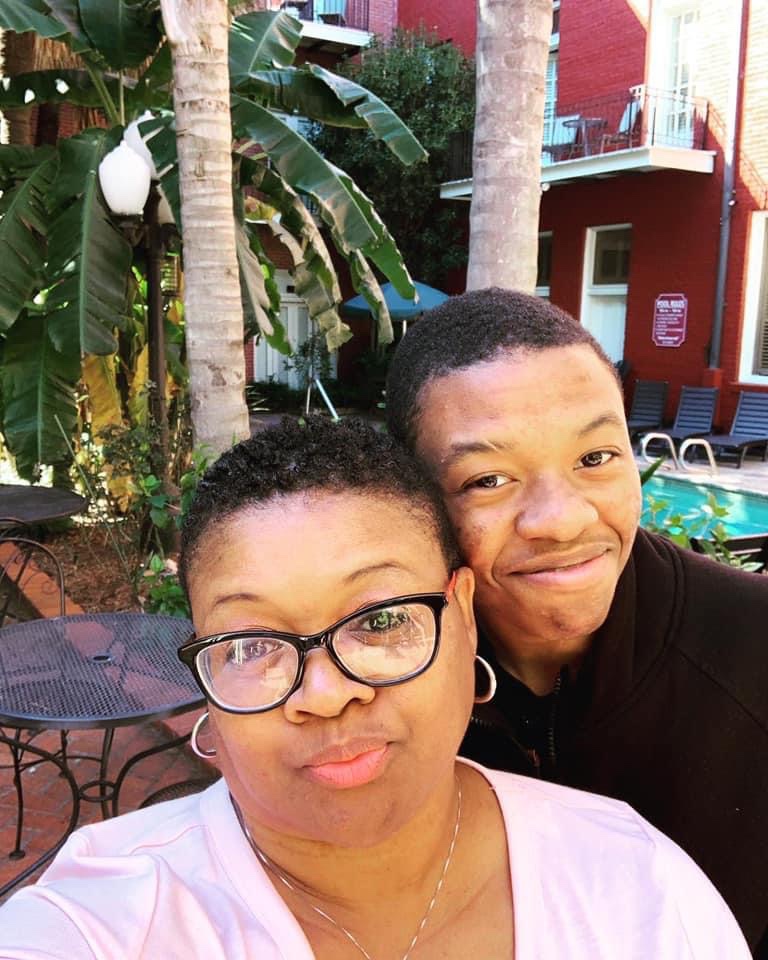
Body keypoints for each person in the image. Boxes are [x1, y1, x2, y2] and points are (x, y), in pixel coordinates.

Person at [0, 418, 750, 959]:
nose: (325, 694)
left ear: (462, 616)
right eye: (253, 644)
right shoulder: (104, 920)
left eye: (381, 619)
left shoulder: (636, 886)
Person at [385, 286, 768, 957]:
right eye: (488, 479)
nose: (561, 521)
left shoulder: (754, 645)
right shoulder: (375, 681)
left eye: (595, 459)